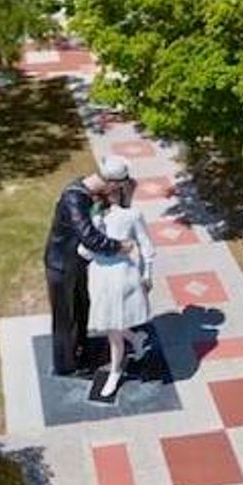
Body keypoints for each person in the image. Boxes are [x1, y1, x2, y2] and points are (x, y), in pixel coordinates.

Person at [43, 157, 135, 376]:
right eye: (118, 187)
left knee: (82, 307)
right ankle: (65, 365)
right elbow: (90, 237)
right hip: (61, 265)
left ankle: (80, 348)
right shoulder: (74, 199)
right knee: (65, 318)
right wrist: (119, 246)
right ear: (111, 184)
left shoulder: (86, 190)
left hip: (76, 263)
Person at [79, 177, 155, 397]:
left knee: (113, 330)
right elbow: (85, 251)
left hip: (119, 276)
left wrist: (147, 273)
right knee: (109, 322)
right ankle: (135, 338)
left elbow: (146, 247)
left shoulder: (131, 216)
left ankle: (115, 371)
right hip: (102, 276)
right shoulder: (96, 218)